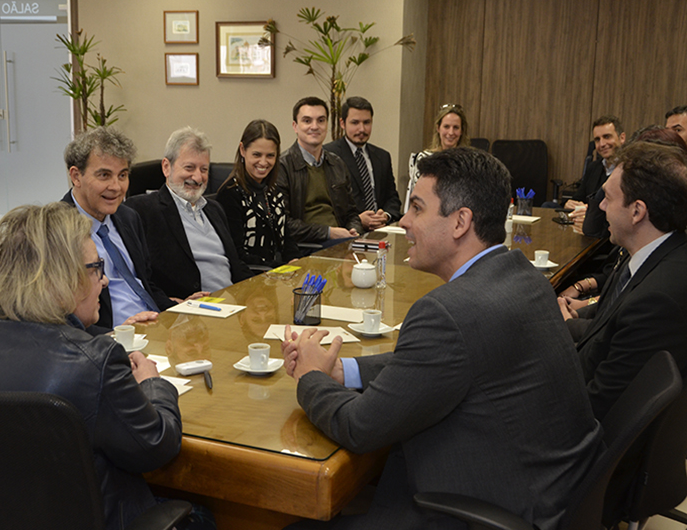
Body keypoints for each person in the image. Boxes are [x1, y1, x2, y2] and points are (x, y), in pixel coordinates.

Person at [282, 147, 602, 530]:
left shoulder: (447, 312)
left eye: (417, 208)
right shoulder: (523, 277)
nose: (403, 221)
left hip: (492, 510)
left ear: (460, 222)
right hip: (551, 496)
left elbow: (359, 427)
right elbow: (443, 361)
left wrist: (312, 377)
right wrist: (343, 371)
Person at [0, 203, 187, 530]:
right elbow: (156, 447)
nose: (104, 281)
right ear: (62, 278)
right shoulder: (94, 362)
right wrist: (154, 385)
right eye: (96, 268)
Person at [559, 141, 687, 420]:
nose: (601, 206)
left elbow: (598, 408)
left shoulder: (657, 301)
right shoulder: (643, 257)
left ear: (637, 211)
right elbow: (605, 329)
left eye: (608, 197)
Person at [60, 126, 176, 330]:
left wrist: (180, 309)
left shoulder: (128, 217)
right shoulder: (56, 229)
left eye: (122, 176)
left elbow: (145, 283)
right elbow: (59, 317)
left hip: (155, 326)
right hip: (109, 340)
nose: (116, 187)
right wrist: (121, 334)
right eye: (104, 175)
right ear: (76, 176)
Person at [124, 127, 254, 299]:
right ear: (166, 167)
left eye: (204, 169)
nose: (198, 177)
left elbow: (236, 265)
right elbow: (138, 276)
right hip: (192, 313)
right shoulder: (142, 210)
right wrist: (169, 303)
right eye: (189, 168)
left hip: (236, 303)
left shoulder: (214, 209)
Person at [277, 96, 362, 246]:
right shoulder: (282, 167)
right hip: (307, 246)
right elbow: (284, 224)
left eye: (321, 120)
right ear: (295, 126)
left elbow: (351, 212)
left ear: (327, 125)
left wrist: (354, 230)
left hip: (342, 241)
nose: (315, 126)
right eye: (307, 121)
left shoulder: (337, 163)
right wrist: (329, 232)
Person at [216, 119, 299, 268]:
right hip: (251, 276)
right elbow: (236, 253)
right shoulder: (230, 194)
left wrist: (294, 260)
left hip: (280, 275)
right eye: (257, 154)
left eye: (270, 156)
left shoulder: (274, 190)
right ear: (242, 150)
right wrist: (278, 267)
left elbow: (286, 238)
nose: (263, 162)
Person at [324, 97, 402, 230]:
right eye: (355, 123)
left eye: (367, 122)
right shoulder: (328, 155)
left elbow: (392, 198)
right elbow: (327, 205)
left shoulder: (383, 156)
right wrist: (357, 220)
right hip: (349, 232)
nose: (362, 129)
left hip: (382, 230)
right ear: (342, 123)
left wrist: (386, 216)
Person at [565, 115, 626, 235]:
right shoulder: (593, 167)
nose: (602, 144)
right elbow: (579, 198)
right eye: (597, 140)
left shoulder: (627, 169)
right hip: (585, 231)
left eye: (607, 137)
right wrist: (570, 203)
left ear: (622, 138)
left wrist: (590, 211)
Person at [404, 103, 470, 213]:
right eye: (446, 126)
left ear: (462, 131)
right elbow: (417, 198)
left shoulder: (468, 162)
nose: (451, 132)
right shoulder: (424, 159)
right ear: (438, 128)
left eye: (456, 128)